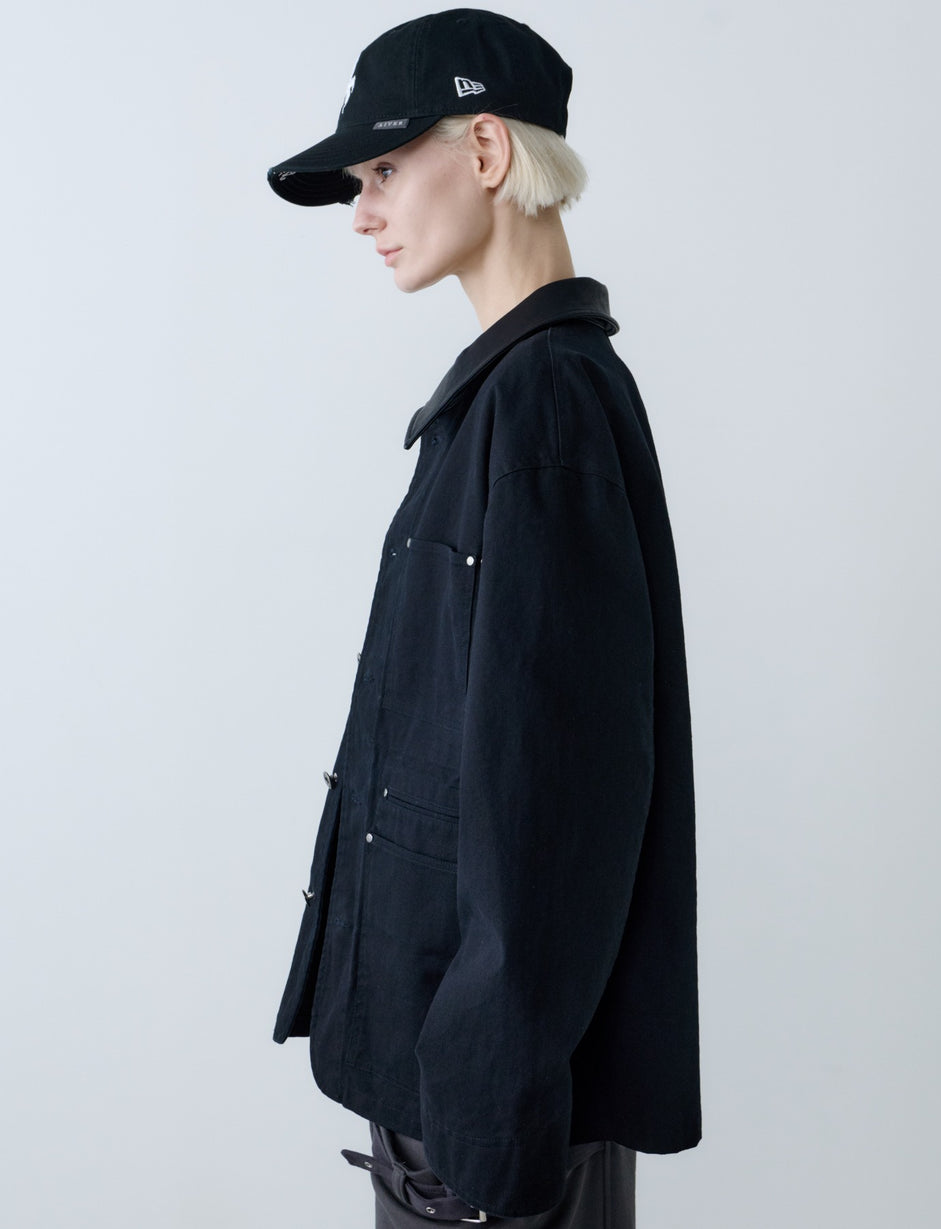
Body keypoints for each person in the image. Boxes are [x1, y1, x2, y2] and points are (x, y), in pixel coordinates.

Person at [267, 9, 700, 1225]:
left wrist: (482, 1126)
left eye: (384, 168)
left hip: (483, 1128)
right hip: (457, 1095)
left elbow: (557, 799)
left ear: (489, 150)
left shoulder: (544, 405)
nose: (363, 212)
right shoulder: (510, 398)